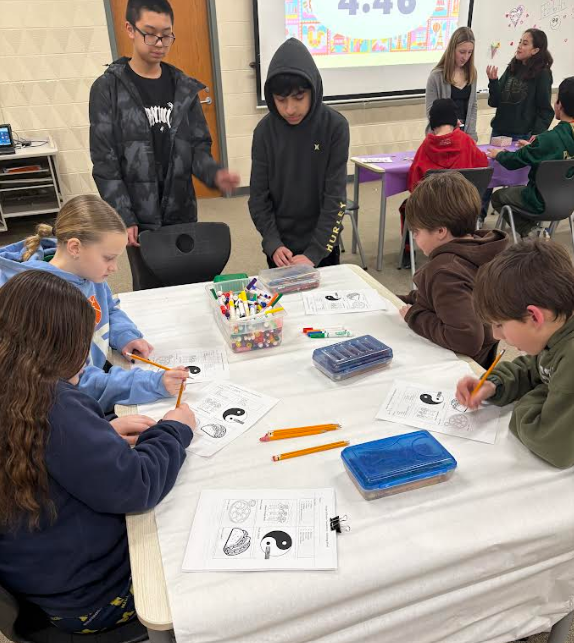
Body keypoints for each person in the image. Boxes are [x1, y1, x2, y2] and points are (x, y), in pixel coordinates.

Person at [0, 270, 195, 632]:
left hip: (43, 575)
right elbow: (136, 486)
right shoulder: (54, 406)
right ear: (57, 347)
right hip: (93, 597)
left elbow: (47, 453)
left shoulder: (16, 390)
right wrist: (175, 429)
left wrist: (100, 433)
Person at [89, 0, 239, 290]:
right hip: (139, 216)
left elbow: (197, 148)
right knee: (150, 289)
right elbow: (105, 161)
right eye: (150, 33)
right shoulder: (108, 88)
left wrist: (214, 173)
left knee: (191, 284)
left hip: (181, 209)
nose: (159, 43)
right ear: (130, 29)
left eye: (166, 34)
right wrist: (124, 216)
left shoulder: (183, 87)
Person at [0, 195, 188, 415]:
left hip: (95, 374)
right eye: (108, 258)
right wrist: (152, 384)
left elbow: (108, 308)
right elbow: (76, 381)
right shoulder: (47, 302)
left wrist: (126, 335)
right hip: (72, 400)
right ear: (74, 247)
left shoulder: (88, 272)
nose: (115, 268)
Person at [456, 239, 574, 469]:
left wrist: (534, 394)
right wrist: (495, 384)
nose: (496, 335)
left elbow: (552, 444)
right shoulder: (559, 327)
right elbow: (538, 367)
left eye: (499, 324)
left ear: (534, 317)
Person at [249, 38, 350, 269]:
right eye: (281, 100)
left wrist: (315, 252)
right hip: (281, 249)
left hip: (323, 246)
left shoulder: (334, 126)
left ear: (313, 89)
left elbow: (335, 199)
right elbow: (257, 198)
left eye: (299, 97)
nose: (290, 109)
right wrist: (273, 243)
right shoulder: (264, 132)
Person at [398, 172, 508, 368]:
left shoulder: (445, 271)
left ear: (441, 231)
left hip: (459, 366)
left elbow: (466, 339)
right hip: (483, 360)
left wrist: (414, 315)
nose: (414, 238)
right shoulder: (478, 247)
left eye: (416, 232)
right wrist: (411, 298)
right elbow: (445, 298)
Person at [487, 76, 574, 237]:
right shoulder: (548, 141)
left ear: (559, 104)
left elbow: (514, 161)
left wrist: (499, 154)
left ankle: (530, 231)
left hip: (538, 200)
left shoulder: (547, 139)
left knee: (498, 197)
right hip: (568, 201)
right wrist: (533, 148)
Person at [481, 28, 554, 219]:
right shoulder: (512, 67)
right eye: (520, 41)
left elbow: (545, 110)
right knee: (489, 176)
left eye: (525, 43)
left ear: (536, 50)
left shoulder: (543, 74)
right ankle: (478, 216)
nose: (519, 46)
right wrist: (493, 82)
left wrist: (536, 134)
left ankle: (514, 221)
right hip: (499, 132)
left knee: (516, 180)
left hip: (522, 135)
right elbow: (495, 101)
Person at [408, 98, 488, 193]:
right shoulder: (466, 140)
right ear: (455, 121)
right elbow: (483, 165)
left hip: (433, 205)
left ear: (432, 122)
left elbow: (413, 184)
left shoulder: (426, 146)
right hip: (463, 203)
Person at [425, 26, 478, 141]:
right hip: (442, 137)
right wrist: (448, 126)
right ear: (452, 49)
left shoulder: (472, 73)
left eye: (470, 52)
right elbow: (431, 111)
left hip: (464, 136)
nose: (466, 57)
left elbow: (473, 106)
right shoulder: (436, 76)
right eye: (462, 52)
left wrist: (471, 136)